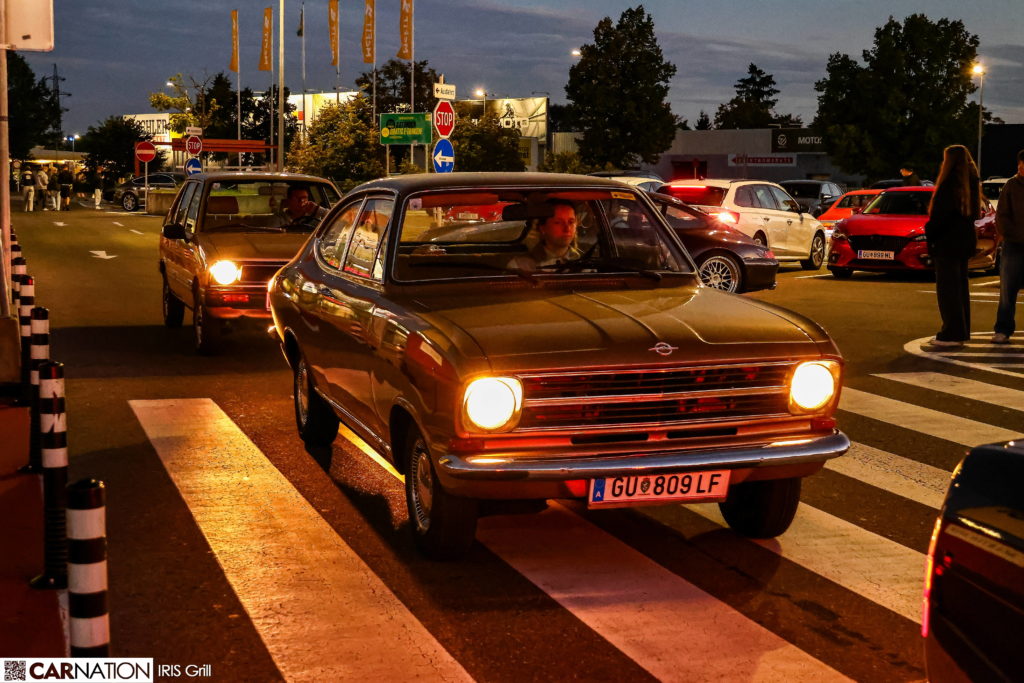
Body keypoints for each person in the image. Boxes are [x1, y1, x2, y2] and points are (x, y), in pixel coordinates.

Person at [923, 145, 981, 350]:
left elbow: (940, 218)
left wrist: (929, 232)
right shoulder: (972, 185)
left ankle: (951, 332)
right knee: (960, 288)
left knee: (947, 291)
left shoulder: (948, 186)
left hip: (946, 243)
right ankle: (961, 331)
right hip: (964, 242)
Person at [991, 149, 1024, 344]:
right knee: (1007, 290)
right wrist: (1010, 234)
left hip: (1015, 242)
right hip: (1014, 245)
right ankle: (1003, 329)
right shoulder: (1011, 186)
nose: (1022, 170)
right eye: (1020, 166)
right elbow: (1001, 215)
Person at [508, 200, 582, 271]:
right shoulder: (520, 266)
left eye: (571, 222)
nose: (567, 228)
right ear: (543, 228)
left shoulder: (583, 263)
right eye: (558, 222)